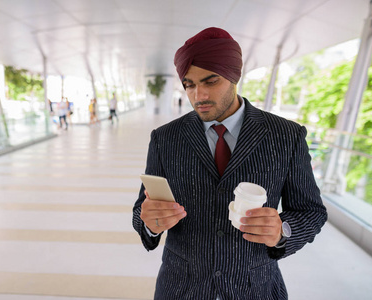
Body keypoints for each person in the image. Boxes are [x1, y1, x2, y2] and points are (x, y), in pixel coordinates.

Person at [132, 27, 327, 300]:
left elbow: (311, 212)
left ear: (235, 76)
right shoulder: (165, 139)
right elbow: (142, 211)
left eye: (210, 81)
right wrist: (150, 222)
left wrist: (281, 231)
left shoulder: (286, 136)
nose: (198, 95)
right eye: (189, 84)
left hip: (255, 288)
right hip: (180, 289)